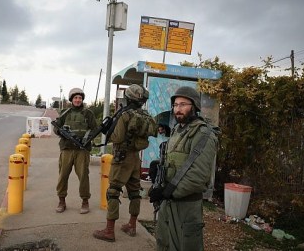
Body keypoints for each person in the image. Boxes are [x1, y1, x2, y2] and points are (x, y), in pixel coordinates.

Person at [149, 86, 219, 251]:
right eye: (175, 105)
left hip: (186, 207)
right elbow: (175, 160)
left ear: (194, 106)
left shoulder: (203, 134)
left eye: (183, 104)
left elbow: (197, 176)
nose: (178, 109)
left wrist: (167, 191)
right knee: (163, 244)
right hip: (169, 203)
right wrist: (158, 166)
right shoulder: (177, 130)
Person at [93, 84, 157, 242]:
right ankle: (132, 226)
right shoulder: (144, 115)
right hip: (136, 158)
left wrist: (107, 131)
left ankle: (109, 231)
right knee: (135, 193)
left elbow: (117, 137)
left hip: (122, 158)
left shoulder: (125, 115)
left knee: (113, 191)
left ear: (128, 98)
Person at [54, 87, 97, 214]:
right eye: (75, 98)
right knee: (63, 175)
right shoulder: (64, 112)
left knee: (83, 176)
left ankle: (85, 201)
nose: (78, 100)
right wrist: (60, 132)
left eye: (80, 98)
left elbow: (95, 129)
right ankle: (61, 201)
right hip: (67, 149)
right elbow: (56, 127)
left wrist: (87, 139)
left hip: (82, 150)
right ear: (71, 99)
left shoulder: (88, 113)